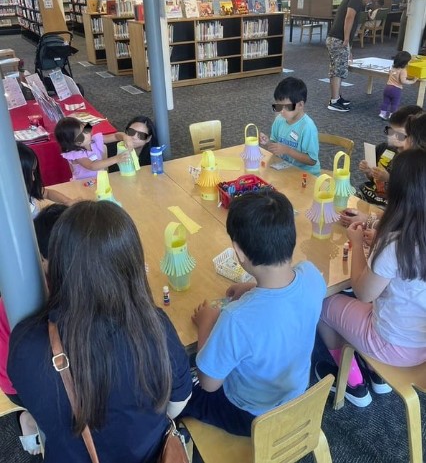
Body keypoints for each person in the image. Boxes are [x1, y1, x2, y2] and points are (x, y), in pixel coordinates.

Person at [8, 201, 192, 463]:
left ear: (54, 262)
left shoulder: (25, 343)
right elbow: (178, 403)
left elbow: (36, 406)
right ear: (133, 263)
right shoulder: (155, 326)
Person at [181, 190, 326, 436]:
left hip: (250, 416)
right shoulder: (312, 274)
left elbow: (209, 383)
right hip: (296, 396)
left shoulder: (236, 319)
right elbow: (283, 302)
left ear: (239, 253)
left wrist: (206, 324)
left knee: (178, 389)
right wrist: (251, 288)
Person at [316, 149, 426, 407]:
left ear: (395, 192)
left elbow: (364, 292)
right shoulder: (409, 236)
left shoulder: (394, 243)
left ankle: (353, 382)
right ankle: (378, 376)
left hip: (392, 344)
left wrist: (355, 243)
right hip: (421, 345)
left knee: (323, 302)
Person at [0, 203, 68, 456]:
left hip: (23, 371)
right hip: (19, 384)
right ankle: (30, 422)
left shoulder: (38, 277)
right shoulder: (47, 294)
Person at [326, 0, 378, 112]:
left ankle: (336, 98)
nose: (369, 2)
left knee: (336, 69)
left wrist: (349, 47)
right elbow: (349, 17)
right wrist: (347, 38)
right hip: (339, 38)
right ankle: (334, 101)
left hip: (336, 38)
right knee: (338, 70)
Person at [357, 105, 423, 207]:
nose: (393, 138)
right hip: (369, 195)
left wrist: (389, 178)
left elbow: (410, 195)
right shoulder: (384, 148)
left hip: (392, 205)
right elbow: (373, 179)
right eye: (390, 131)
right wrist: (369, 172)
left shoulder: (416, 163)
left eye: (400, 135)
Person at [260, 76, 320, 176]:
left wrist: (287, 150)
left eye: (287, 107)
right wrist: (267, 143)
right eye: (278, 106)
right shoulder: (279, 120)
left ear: (300, 105)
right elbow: (276, 147)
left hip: (306, 175)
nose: (282, 111)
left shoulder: (307, 127)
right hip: (286, 169)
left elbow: (312, 160)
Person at [54, 117, 134, 180]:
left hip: (99, 180)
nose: (88, 132)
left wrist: (124, 136)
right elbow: (92, 166)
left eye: (85, 129)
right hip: (83, 184)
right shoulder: (76, 154)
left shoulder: (95, 140)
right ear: (76, 142)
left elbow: (115, 136)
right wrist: (116, 159)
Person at [17, 142, 75, 217]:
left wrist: (67, 201)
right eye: (28, 174)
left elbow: (47, 193)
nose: (33, 178)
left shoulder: (27, 189)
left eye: (33, 172)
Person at [379, 51, 417, 120]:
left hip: (387, 87)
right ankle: (392, 116)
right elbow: (403, 81)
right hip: (396, 90)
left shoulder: (393, 68)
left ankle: (382, 114)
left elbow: (390, 75)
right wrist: (413, 81)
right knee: (394, 104)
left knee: (385, 102)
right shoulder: (403, 70)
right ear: (405, 63)